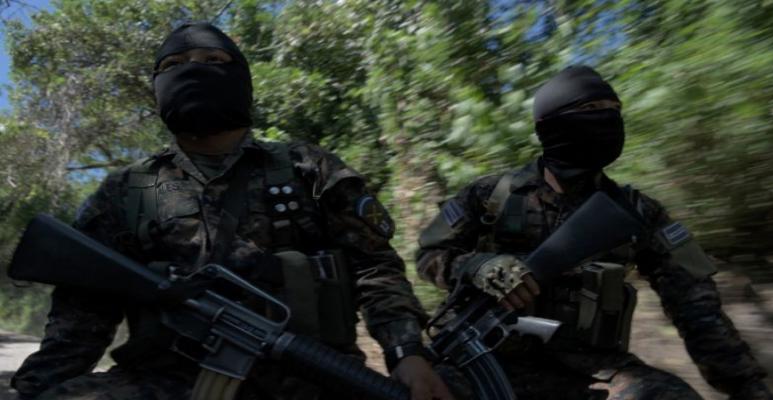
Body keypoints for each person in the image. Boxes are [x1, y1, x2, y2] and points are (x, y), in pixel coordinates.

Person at [11, 22, 453, 400]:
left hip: (311, 378)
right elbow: (83, 311)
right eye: (173, 65)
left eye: (212, 60)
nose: (192, 69)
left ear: (240, 77)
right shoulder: (126, 191)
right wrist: (41, 386)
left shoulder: (308, 168)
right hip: (164, 383)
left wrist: (406, 352)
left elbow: (375, 269)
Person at [416, 65, 773, 399]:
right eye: (592, 109)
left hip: (591, 370)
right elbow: (430, 255)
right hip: (483, 357)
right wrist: (477, 267)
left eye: (614, 110)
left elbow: (696, 306)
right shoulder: (490, 195)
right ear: (551, 124)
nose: (608, 119)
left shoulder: (637, 213)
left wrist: (746, 386)